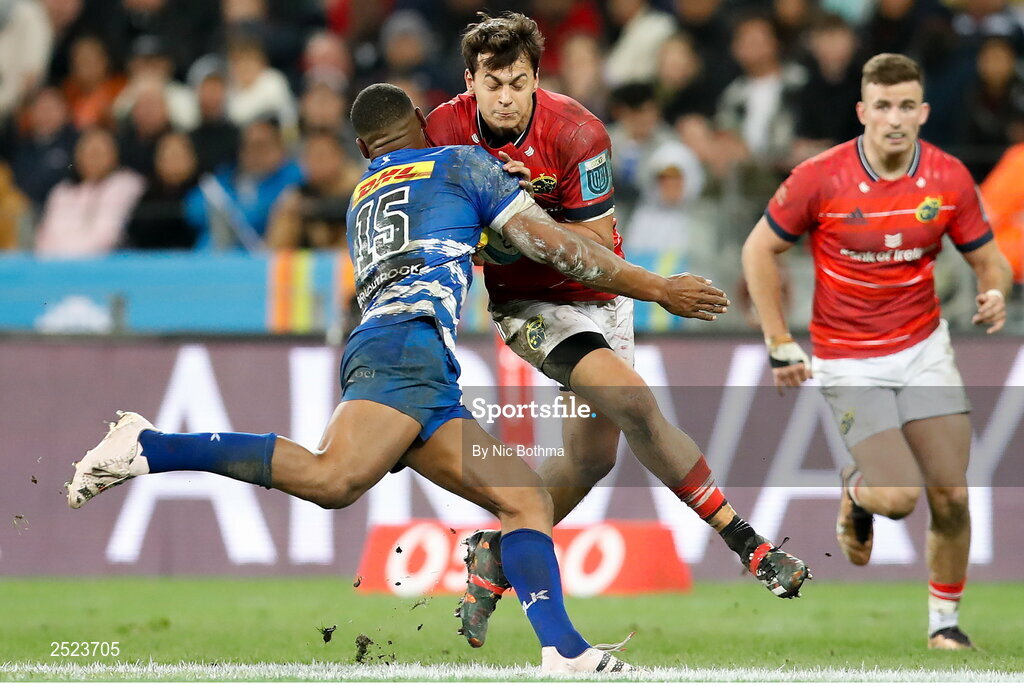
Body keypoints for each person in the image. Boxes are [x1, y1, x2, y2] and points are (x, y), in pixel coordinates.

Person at [66, 82, 730, 674]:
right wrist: (655, 287)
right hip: (407, 349)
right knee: (333, 480)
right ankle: (152, 446)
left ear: (363, 148)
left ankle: (563, 651)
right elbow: (557, 247)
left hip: (400, 350)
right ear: (421, 119)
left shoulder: (362, 195)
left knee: (525, 500)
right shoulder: (459, 163)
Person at [425, 12, 810, 649]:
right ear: (469, 82)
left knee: (592, 458)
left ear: (537, 78)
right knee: (633, 400)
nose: (505, 98)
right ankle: (746, 542)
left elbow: (597, 244)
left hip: (602, 294)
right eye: (491, 84)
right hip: (528, 306)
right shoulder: (442, 132)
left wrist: (523, 214)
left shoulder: (577, 131)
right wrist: (492, 224)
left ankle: (496, 554)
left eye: (517, 83)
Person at [741, 53, 1012, 651]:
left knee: (952, 495)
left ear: (923, 112)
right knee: (897, 498)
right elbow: (758, 250)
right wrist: (779, 341)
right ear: (863, 111)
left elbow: (989, 260)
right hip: (848, 356)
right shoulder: (820, 177)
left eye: (906, 106)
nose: (895, 118)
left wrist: (994, 290)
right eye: (883, 106)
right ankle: (857, 490)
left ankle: (944, 624)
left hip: (924, 349)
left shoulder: (947, 178)